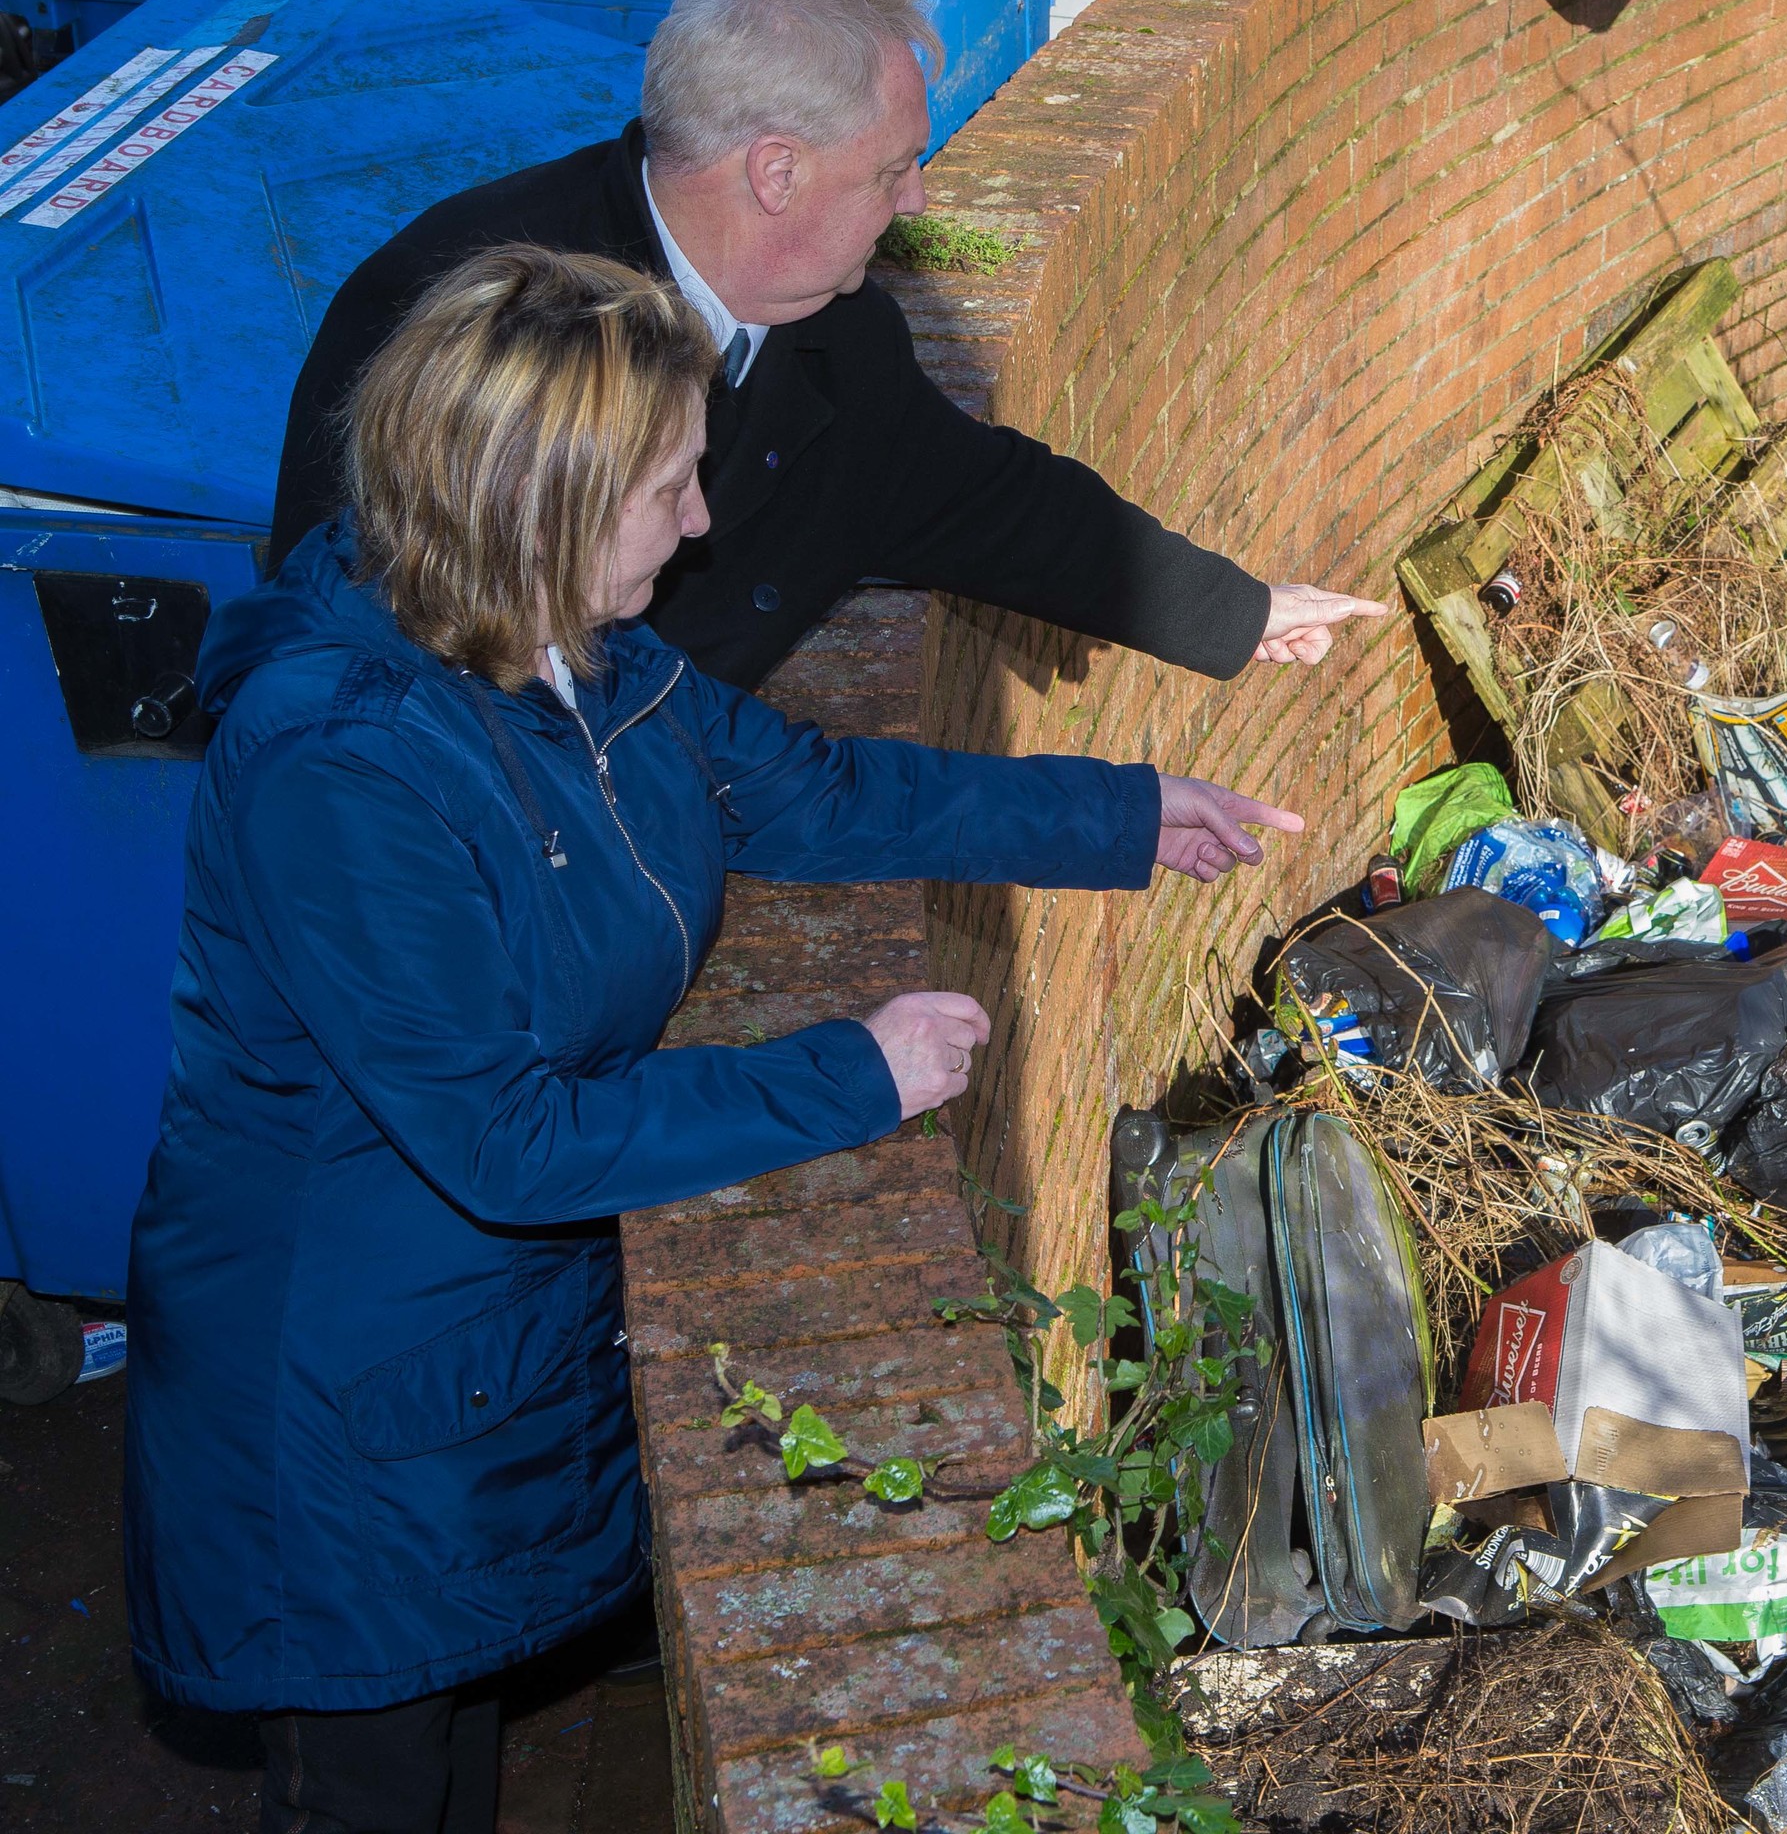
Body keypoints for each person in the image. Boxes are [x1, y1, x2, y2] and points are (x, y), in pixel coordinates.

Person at [125, 247, 1299, 1833]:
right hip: (336, 1402)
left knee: (445, 1759)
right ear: (541, 501)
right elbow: (506, 1134)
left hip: (465, 1359)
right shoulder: (338, 767)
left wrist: (1119, 812)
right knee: (375, 1786)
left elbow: (800, 790)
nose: (700, 521)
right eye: (669, 484)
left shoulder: (561, 641)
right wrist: (852, 1070)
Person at [263, 0, 1382, 692]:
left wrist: (1242, 613)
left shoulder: (834, 331)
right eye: (893, 170)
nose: (919, 201)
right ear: (777, 174)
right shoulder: (458, 328)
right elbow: (358, 672)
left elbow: (985, 500)